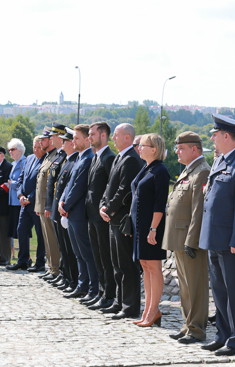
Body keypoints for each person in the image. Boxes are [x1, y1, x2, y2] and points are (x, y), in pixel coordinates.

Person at [199, 114, 235, 356]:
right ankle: (222, 334)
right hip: (214, 237)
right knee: (220, 291)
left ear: (226, 136)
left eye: (215, 134)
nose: (212, 138)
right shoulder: (221, 161)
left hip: (230, 241)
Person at [164, 131, 210, 344]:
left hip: (189, 239)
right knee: (185, 285)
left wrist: (192, 240)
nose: (177, 152)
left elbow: (198, 210)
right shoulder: (189, 171)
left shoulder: (201, 171)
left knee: (195, 286)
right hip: (179, 237)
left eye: (181, 148)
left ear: (194, 149)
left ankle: (197, 329)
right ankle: (187, 323)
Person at [99, 123, 143, 319]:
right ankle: (118, 301)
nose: (113, 138)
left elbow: (124, 190)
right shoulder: (120, 157)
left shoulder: (131, 160)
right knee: (116, 264)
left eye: (116, 135)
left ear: (127, 137)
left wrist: (109, 208)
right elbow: (109, 186)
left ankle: (129, 306)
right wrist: (103, 204)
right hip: (113, 217)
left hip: (122, 219)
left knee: (126, 265)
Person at [130, 133, 169, 327]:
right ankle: (148, 310)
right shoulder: (147, 168)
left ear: (154, 149)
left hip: (152, 226)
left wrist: (153, 228)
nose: (139, 148)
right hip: (140, 225)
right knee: (145, 266)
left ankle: (154, 310)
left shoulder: (160, 170)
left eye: (143, 145)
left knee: (154, 267)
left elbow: (159, 203)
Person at [59, 124, 99, 301]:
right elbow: (69, 184)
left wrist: (66, 205)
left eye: (76, 138)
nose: (73, 141)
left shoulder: (88, 158)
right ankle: (82, 285)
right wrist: (62, 201)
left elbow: (79, 187)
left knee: (86, 253)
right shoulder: (80, 158)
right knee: (78, 253)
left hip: (79, 213)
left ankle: (92, 289)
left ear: (86, 139)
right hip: (71, 211)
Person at [86, 121, 116, 310]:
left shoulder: (108, 158)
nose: (90, 137)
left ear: (103, 135)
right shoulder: (96, 157)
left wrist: (105, 208)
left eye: (92, 134)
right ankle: (101, 292)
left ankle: (109, 295)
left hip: (102, 217)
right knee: (97, 256)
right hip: (92, 215)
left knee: (105, 257)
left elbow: (110, 188)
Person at [6, 137, 46, 271]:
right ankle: (23, 260)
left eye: (39, 147)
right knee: (21, 230)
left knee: (40, 234)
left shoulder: (47, 160)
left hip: (37, 203)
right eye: (34, 147)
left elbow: (43, 184)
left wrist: (30, 197)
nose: (36, 150)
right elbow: (22, 178)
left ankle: (40, 262)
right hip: (24, 203)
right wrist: (20, 195)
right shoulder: (29, 159)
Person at [50, 128, 79, 293]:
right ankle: (67, 277)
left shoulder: (74, 161)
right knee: (63, 247)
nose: (63, 143)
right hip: (59, 208)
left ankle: (72, 279)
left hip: (66, 210)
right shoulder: (68, 160)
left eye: (66, 141)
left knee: (69, 248)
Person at [35, 127, 61, 276]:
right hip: (42, 204)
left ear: (51, 141)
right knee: (47, 239)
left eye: (43, 140)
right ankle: (51, 266)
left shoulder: (55, 156)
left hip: (48, 204)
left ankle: (56, 268)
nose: (40, 142)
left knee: (52, 239)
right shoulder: (47, 157)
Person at [44, 123, 67, 283]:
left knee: (64, 245)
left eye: (53, 136)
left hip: (61, 206)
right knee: (59, 242)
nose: (51, 138)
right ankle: (59, 271)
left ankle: (62, 273)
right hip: (54, 205)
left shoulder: (64, 156)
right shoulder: (59, 155)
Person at [7, 138, 27, 259]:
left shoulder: (24, 162)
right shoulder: (14, 164)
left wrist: (12, 184)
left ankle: (26, 257)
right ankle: (21, 257)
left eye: (12, 149)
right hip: (13, 201)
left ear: (20, 150)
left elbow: (23, 181)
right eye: (9, 150)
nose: (10, 152)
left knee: (22, 231)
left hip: (20, 201)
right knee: (16, 231)